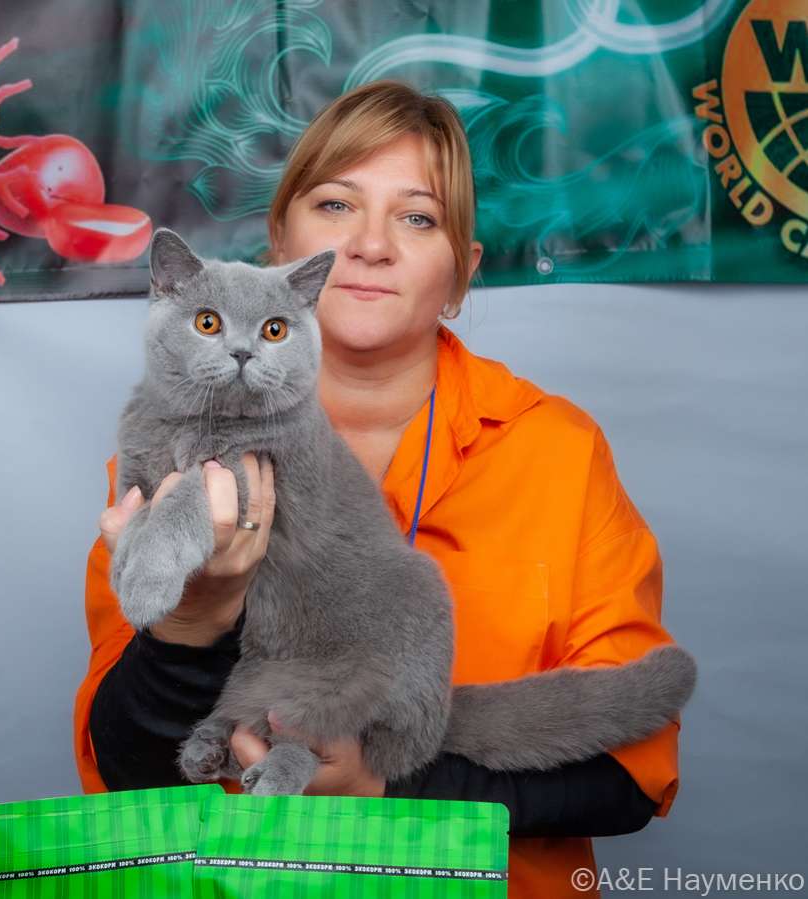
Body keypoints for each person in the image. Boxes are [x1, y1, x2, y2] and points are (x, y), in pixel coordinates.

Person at [74, 80, 681, 898]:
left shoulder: (556, 451)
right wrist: (192, 623)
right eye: (335, 205)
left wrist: (386, 786)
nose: (369, 245)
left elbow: (627, 777)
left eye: (417, 217)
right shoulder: (170, 452)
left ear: (461, 272)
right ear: (279, 248)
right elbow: (125, 771)